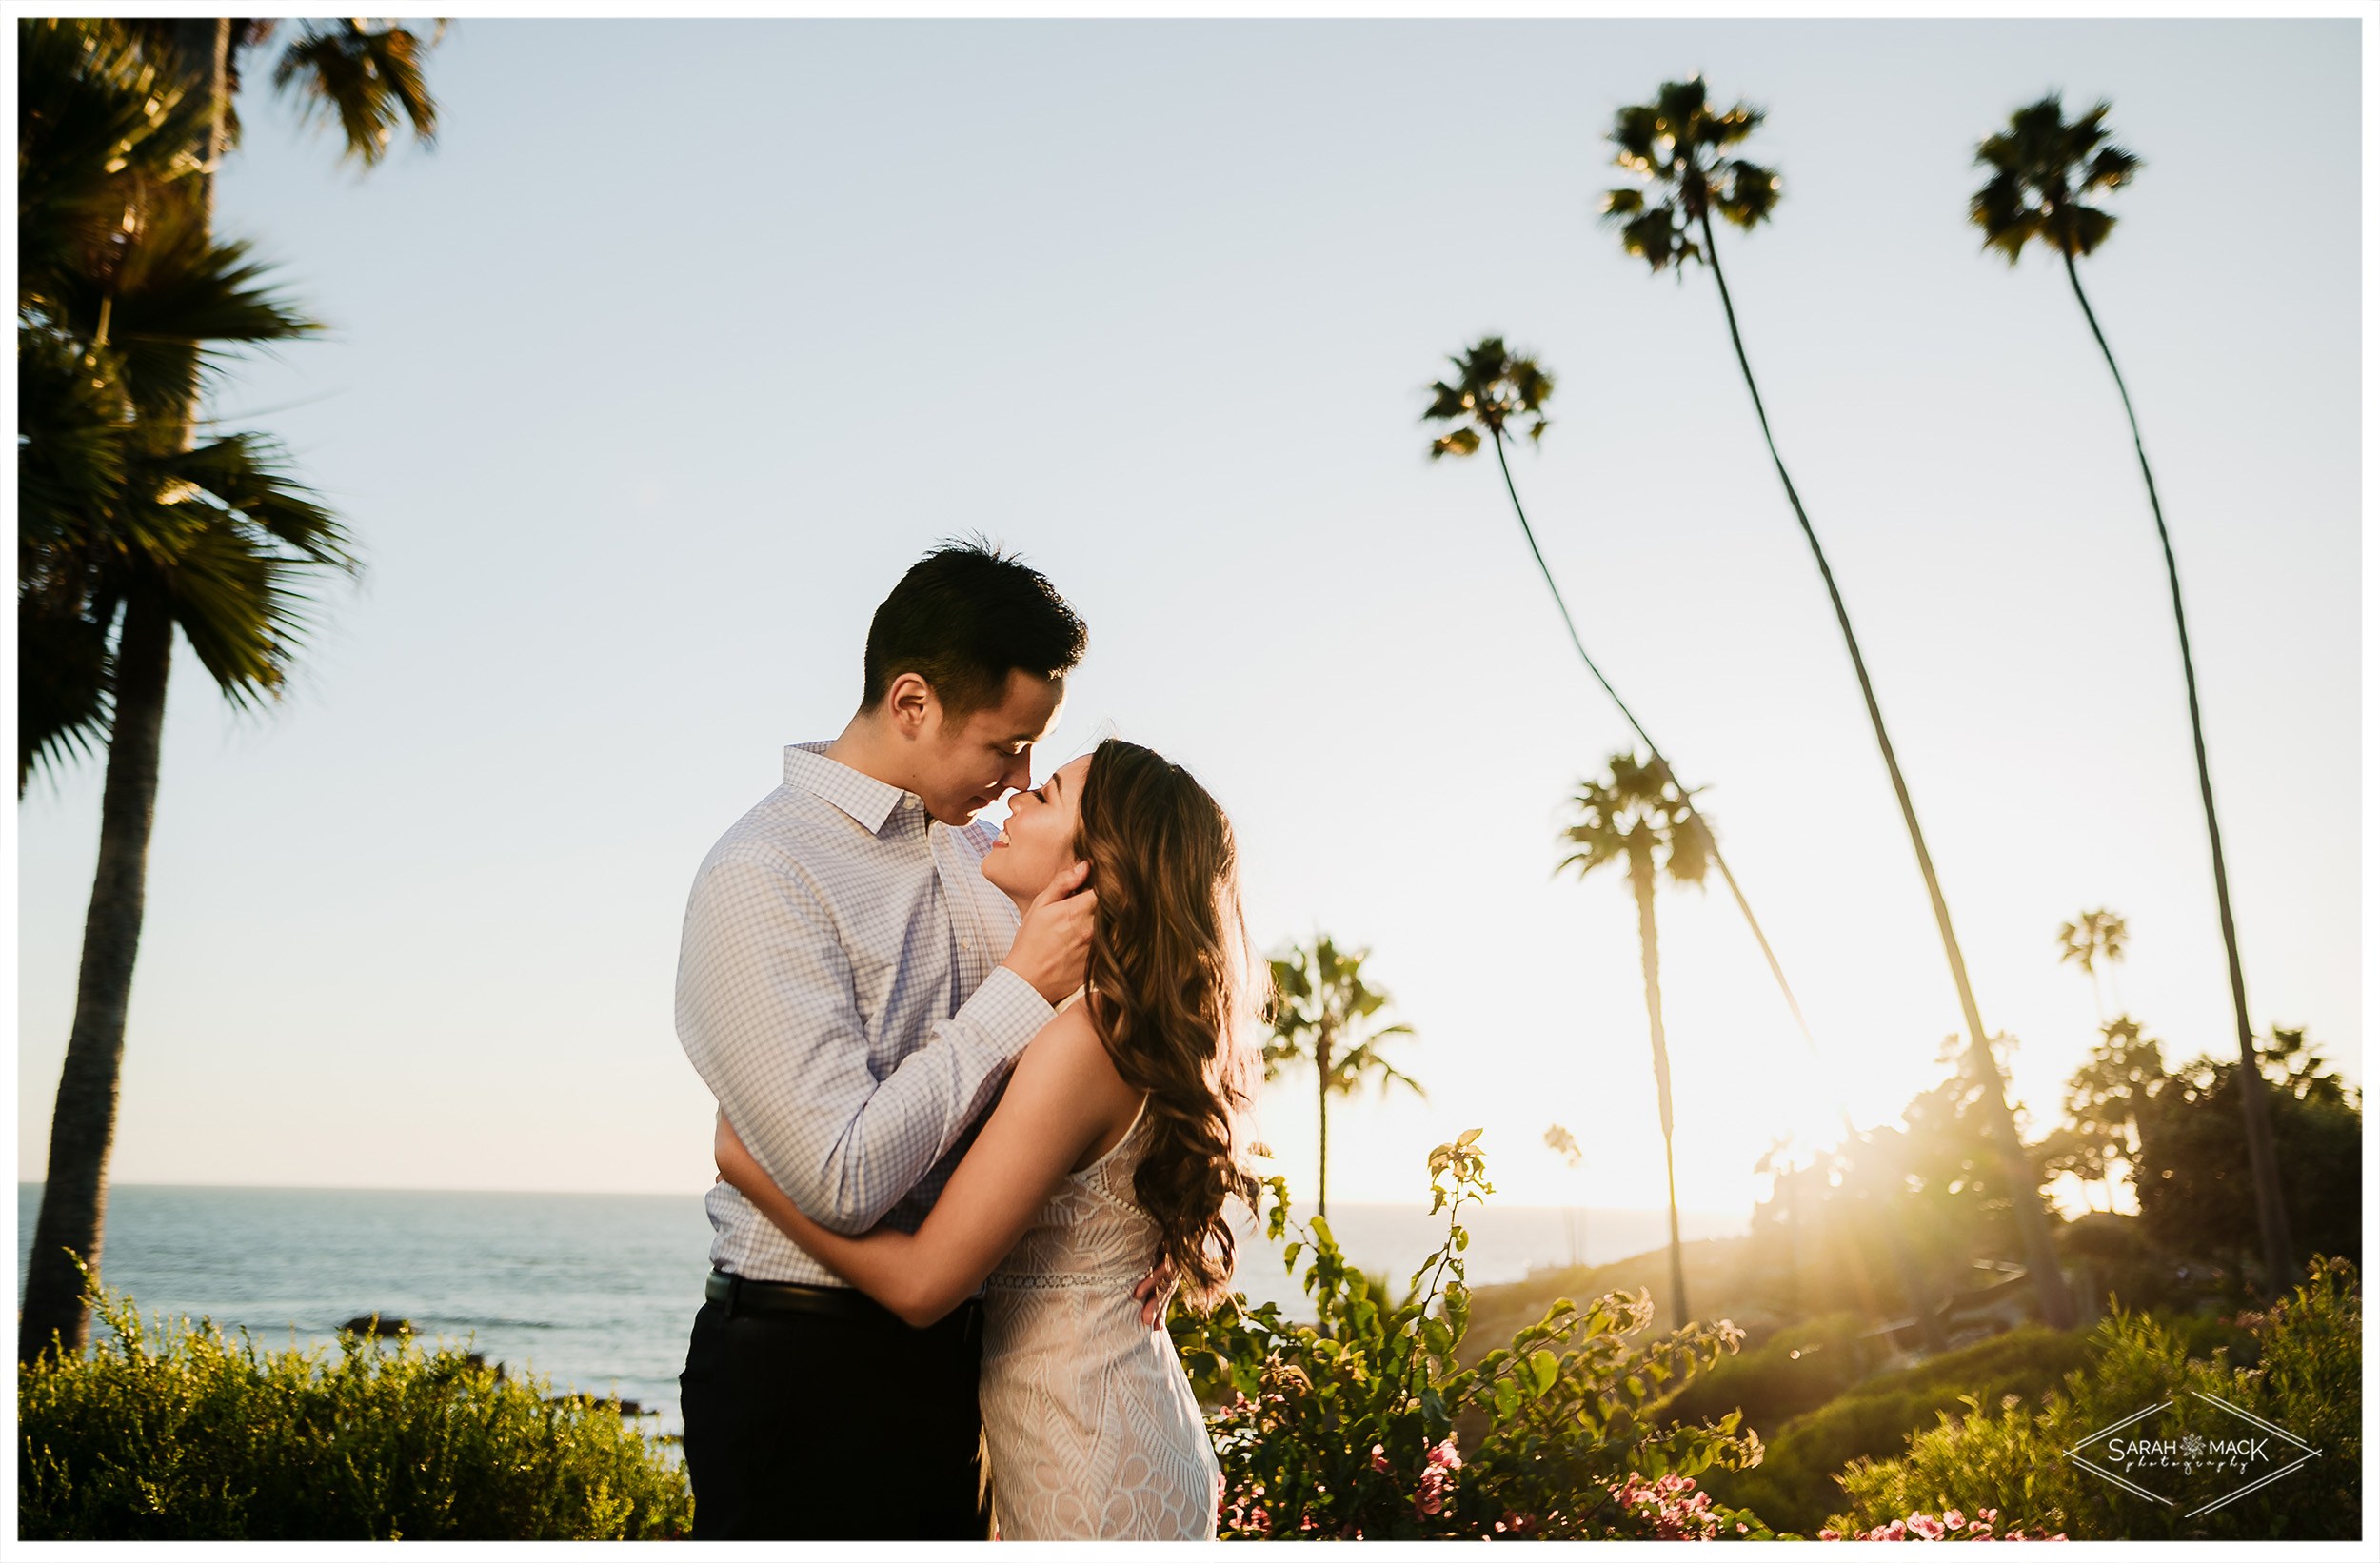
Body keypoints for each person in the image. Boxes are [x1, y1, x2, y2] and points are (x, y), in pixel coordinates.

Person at [716, 737, 1259, 1541]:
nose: (1015, 797)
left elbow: (924, 1285)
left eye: (1045, 799)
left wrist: (754, 1169)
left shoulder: (1085, 1040)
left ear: (1098, 867)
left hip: (1091, 1460)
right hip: (1107, 1425)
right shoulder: (1116, 1024)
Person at [674, 540, 1102, 1541]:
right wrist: (1018, 990)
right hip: (804, 1368)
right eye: (1004, 746)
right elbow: (842, 1177)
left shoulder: (980, 857)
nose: (1018, 778)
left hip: (969, 1361)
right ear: (911, 703)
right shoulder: (764, 873)